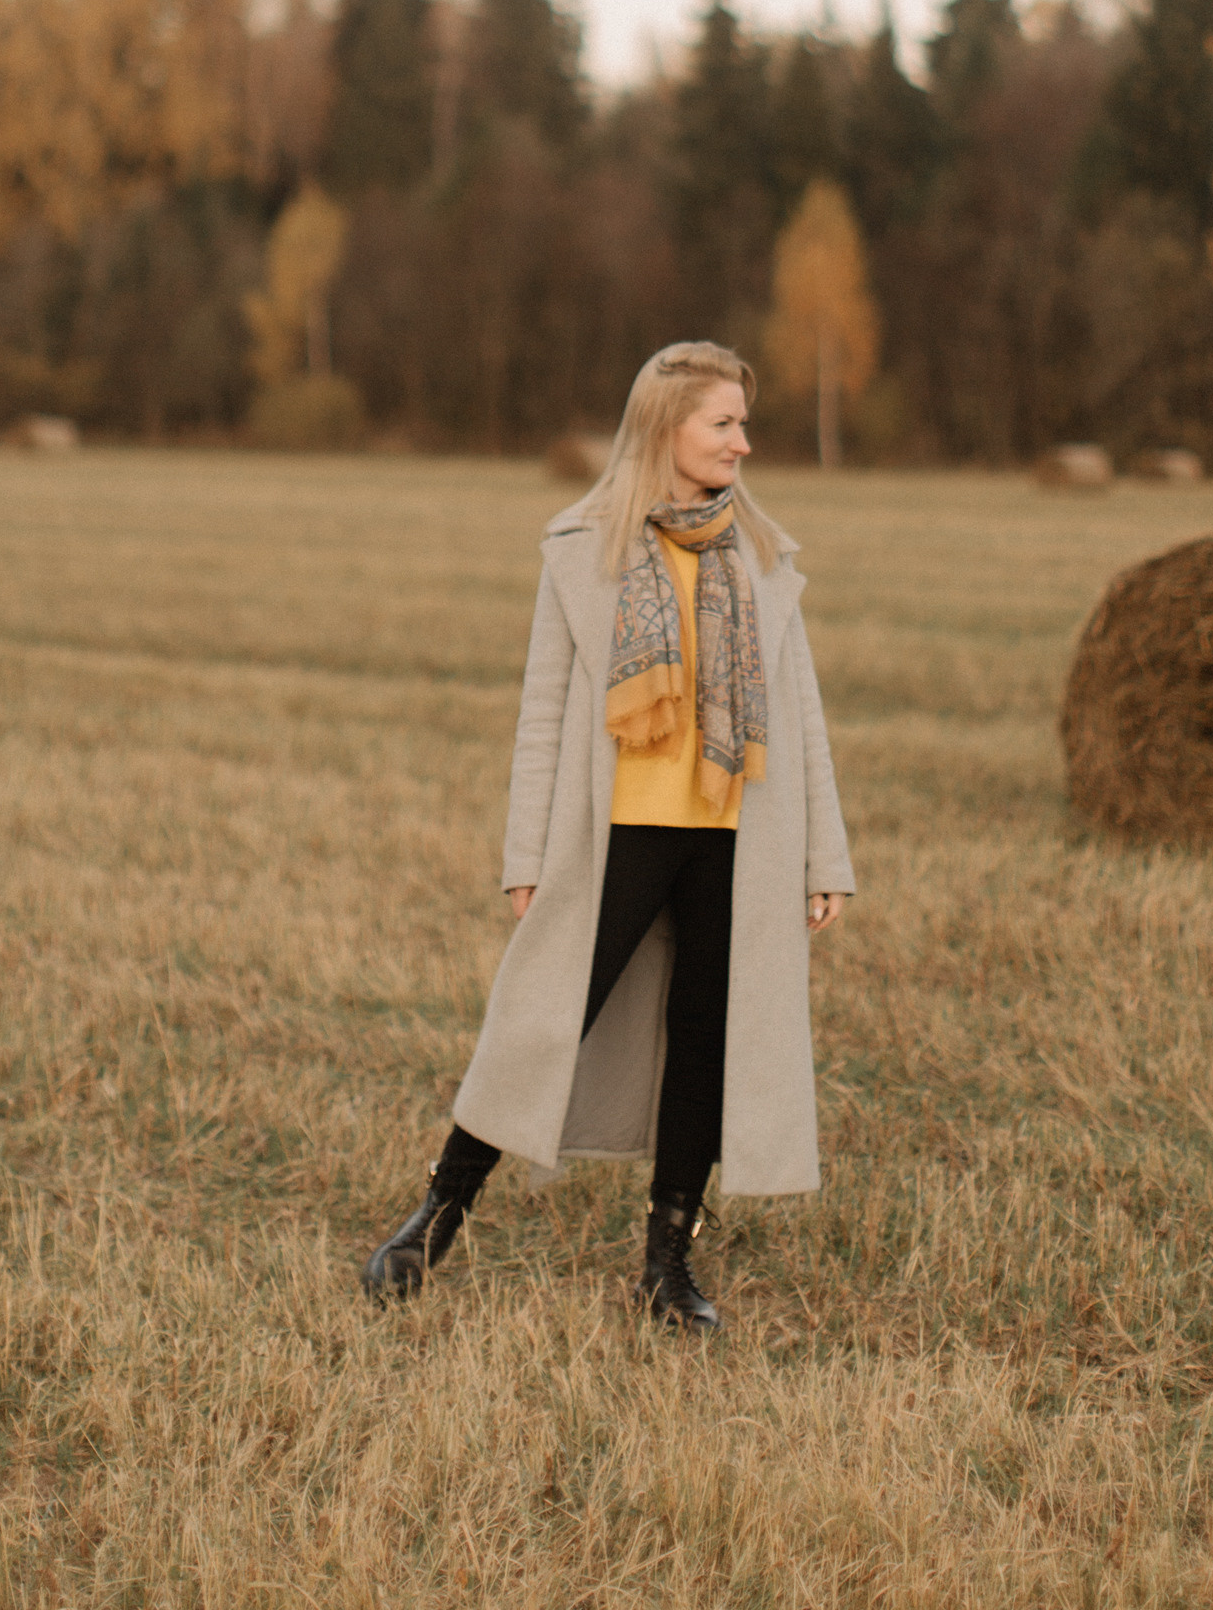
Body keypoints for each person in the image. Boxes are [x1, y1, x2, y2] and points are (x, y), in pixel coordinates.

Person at [360, 340, 854, 1331]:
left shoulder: (760, 557)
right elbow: (541, 714)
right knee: (540, 1020)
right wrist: (525, 857)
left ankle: (666, 1265)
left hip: (732, 837)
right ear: (664, 427)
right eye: (723, 424)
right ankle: (434, 1218)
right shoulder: (582, 548)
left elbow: (800, 715)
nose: (742, 444)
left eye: (741, 425)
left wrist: (822, 856)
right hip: (614, 836)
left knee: (702, 1045)